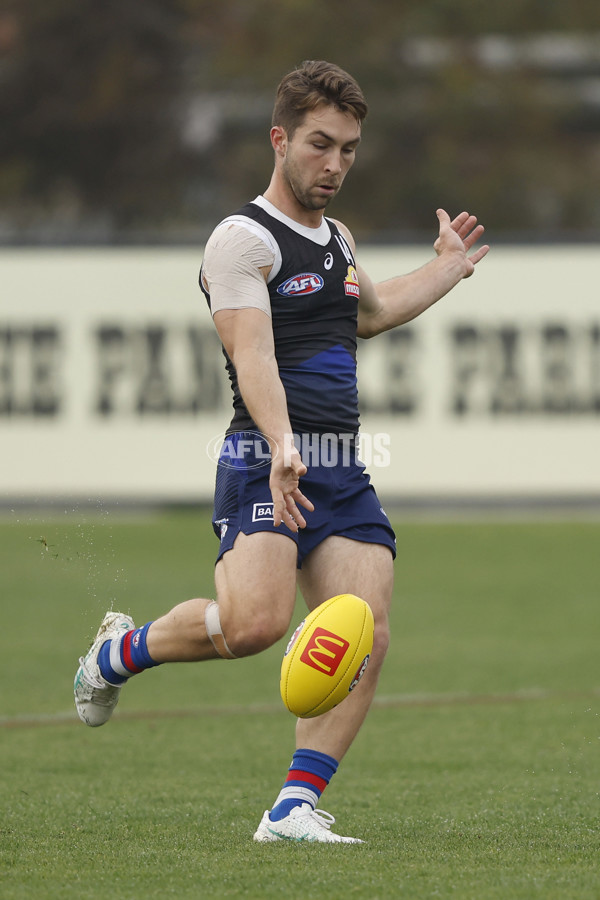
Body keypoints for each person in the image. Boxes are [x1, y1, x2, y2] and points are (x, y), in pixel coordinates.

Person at [74, 59, 489, 843]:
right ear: (280, 138)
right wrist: (281, 444)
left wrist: (447, 269)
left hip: (339, 466)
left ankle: (294, 808)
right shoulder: (240, 240)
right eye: (320, 145)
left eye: (350, 150)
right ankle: (118, 651)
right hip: (261, 457)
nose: (335, 166)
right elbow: (252, 357)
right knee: (254, 624)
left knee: (365, 626)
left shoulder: (335, 239)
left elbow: (372, 310)